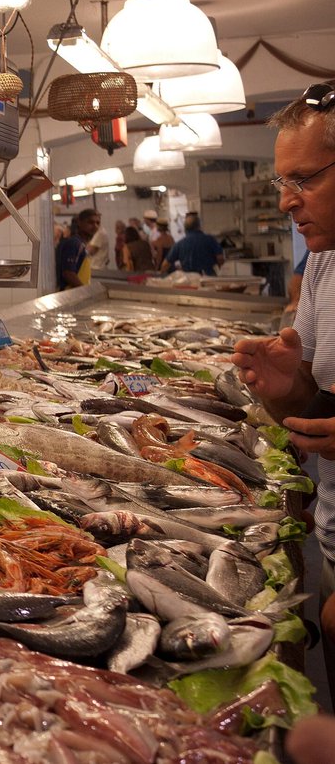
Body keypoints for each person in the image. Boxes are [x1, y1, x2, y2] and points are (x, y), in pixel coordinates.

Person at [231, 81, 335, 702]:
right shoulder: (323, 260)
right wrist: (285, 388)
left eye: (305, 179)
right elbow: (313, 405)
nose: (287, 201)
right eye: (282, 181)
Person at [55, 210, 96, 289]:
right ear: (80, 223)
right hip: (70, 293)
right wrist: (85, 290)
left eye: (98, 223)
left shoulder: (81, 244)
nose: (95, 226)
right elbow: (68, 273)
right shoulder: (74, 243)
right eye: (90, 222)